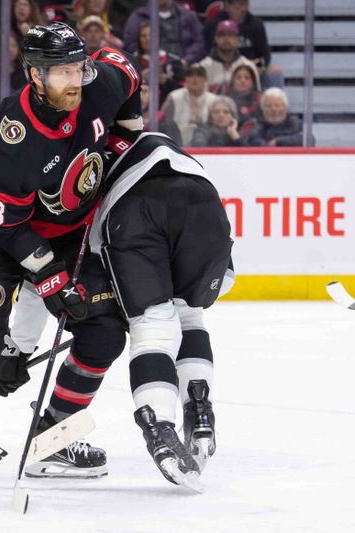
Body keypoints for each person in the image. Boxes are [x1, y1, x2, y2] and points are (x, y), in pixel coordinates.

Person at [0, 22, 142, 482]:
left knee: (103, 335)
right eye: (61, 74)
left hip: (69, 232)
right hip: (0, 237)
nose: (74, 81)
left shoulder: (98, 83)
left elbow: (126, 71)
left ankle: (52, 439)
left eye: (77, 69)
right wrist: (49, 278)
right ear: (35, 75)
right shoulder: (10, 134)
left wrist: (121, 141)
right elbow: (8, 225)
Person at [88, 131, 232, 487]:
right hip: (206, 205)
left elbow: (91, 250)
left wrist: (124, 304)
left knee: (152, 325)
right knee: (190, 313)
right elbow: (225, 278)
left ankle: (160, 428)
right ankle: (199, 411)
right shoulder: (182, 159)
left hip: (134, 206)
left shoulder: (89, 161)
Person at [123, 0, 205, 65]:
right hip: (149, 67)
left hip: (182, 68)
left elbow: (199, 42)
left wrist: (186, 61)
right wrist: (143, 61)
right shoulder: (138, 16)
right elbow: (130, 43)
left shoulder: (188, 16)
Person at [161, 64, 216, 145]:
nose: (195, 79)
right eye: (190, 75)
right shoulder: (174, 97)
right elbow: (166, 124)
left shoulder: (214, 100)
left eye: (199, 75)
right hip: (177, 142)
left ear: (205, 79)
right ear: (185, 79)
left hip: (206, 143)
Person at [198, 19, 258, 93]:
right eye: (222, 35)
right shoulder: (203, 66)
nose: (226, 39)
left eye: (230, 35)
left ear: (237, 39)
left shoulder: (248, 65)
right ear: (216, 38)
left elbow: (256, 96)